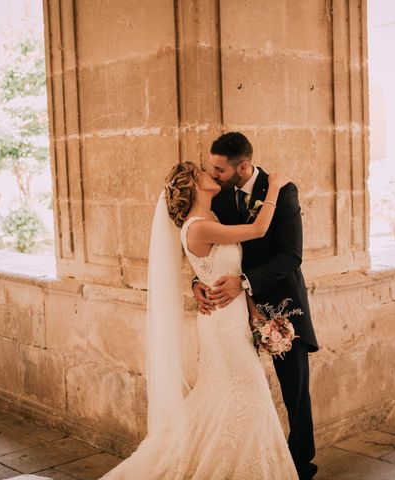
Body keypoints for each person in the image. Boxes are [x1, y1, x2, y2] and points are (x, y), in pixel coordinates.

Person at [96, 161, 298, 479]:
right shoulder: (198, 226)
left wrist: (252, 310)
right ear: (194, 184)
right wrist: (275, 186)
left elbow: (223, 271)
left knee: (226, 397)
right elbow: (258, 230)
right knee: (250, 392)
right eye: (203, 171)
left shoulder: (210, 218)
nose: (211, 174)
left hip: (232, 321)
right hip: (223, 329)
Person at [193, 132, 319, 480]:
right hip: (230, 312)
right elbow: (206, 248)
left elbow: (292, 255)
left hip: (281, 307)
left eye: (219, 169)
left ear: (243, 166)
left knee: (295, 391)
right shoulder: (218, 197)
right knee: (240, 390)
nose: (213, 174)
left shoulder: (283, 190)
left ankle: (300, 466)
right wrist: (196, 283)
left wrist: (244, 282)